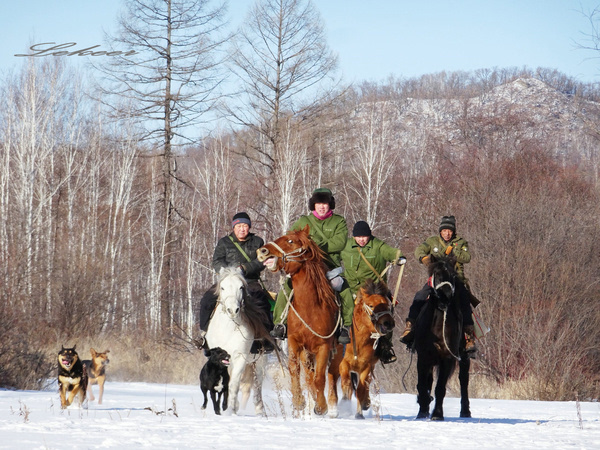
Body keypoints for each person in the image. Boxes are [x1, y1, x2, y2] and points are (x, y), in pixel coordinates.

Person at [270, 188, 354, 344]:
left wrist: (312, 246)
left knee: (343, 288)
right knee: (288, 286)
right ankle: (280, 323)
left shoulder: (339, 221)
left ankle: (345, 326)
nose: (322, 207)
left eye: (325, 203)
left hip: (329, 265)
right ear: (313, 205)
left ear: (330, 205)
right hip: (305, 265)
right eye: (318, 203)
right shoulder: (303, 222)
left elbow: (339, 243)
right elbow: (290, 239)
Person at [399, 215, 478, 355]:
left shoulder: (461, 243)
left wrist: (453, 251)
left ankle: (468, 337)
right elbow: (419, 250)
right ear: (440, 231)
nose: (447, 233)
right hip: (437, 280)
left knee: (465, 302)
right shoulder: (432, 241)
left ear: (454, 232)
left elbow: (467, 258)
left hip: (455, 281)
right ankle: (410, 327)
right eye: (444, 230)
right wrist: (424, 258)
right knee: (420, 296)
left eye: (450, 231)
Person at [198, 212, 274, 352]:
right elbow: (217, 261)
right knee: (206, 300)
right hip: (227, 281)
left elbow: (261, 261)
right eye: (239, 226)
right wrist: (227, 271)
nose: (242, 229)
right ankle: (203, 335)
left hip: (250, 281)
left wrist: (244, 268)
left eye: (245, 225)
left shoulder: (257, 242)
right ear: (234, 227)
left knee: (262, 302)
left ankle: (266, 338)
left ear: (249, 227)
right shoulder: (224, 242)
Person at [341, 220, 407, 364]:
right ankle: (334, 339)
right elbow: (332, 254)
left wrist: (398, 257)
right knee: (335, 307)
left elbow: (390, 252)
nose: (362, 240)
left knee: (385, 315)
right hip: (351, 289)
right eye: (359, 237)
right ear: (354, 237)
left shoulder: (377, 245)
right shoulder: (345, 246)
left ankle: (385, 347)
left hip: (373, 292)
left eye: (365, 237)